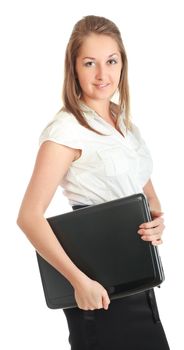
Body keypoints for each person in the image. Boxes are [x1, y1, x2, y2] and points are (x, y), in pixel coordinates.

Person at [17, 15, 170, 350]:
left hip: (138, 275)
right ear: (74, 68)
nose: (103, 74)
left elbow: (144, 187)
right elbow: (28, 217)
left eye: (111, 61)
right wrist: (79, 282)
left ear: (122, 64)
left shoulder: (123, 120)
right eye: (90, 63)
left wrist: (156, 221)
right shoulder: (65, 131)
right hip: (97, 285)